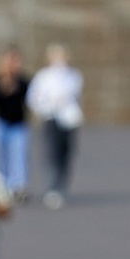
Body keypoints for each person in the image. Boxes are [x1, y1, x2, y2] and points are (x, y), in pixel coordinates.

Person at [27, 45, 83, 207]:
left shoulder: (74, 76)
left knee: (66, 153)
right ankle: (52, 187)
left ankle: (60, 184)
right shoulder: (43, 76)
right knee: (52, 153)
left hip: (69, 119)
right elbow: (33, 98)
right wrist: (46, 106)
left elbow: (76, 97)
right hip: (51, 117)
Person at [0, 46, 31, 199]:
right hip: (1, 123)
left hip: (18, 124)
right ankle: (1, 187)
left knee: (18, 156)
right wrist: (4, 89)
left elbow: (30, 101)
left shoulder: (24, 82)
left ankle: (18, 187)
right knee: (0, 157)